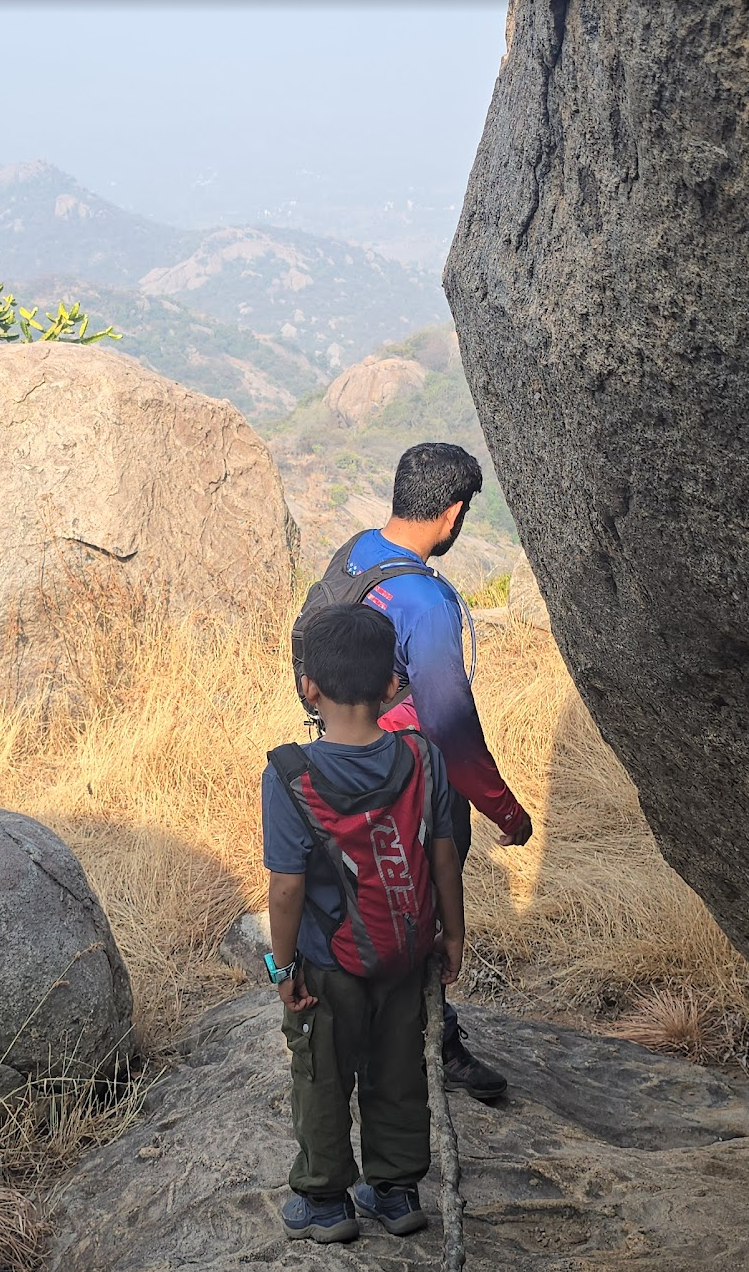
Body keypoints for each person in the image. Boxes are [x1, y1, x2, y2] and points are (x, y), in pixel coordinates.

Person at [261, 603, 466, 1243]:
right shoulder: (423, 759)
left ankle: (326, 1203)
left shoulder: (291, 775)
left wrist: (283, 965)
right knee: (398, 1068)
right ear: (390, 686)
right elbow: (442, 855)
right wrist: (452, 934)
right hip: (406, 954)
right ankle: (396, 1189)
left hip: (328, 964)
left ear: (308, 687)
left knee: (321, 1072)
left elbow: (288, 885)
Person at [346, 441, 533, 1100]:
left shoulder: (356, 554)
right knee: (415, 910)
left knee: (365, 899)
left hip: (341, 756)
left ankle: (386, 1030)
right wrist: (507, 811)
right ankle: (434, 1043)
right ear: (452, 514)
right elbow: (450, 730)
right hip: (404, 775)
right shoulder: (424, 603)